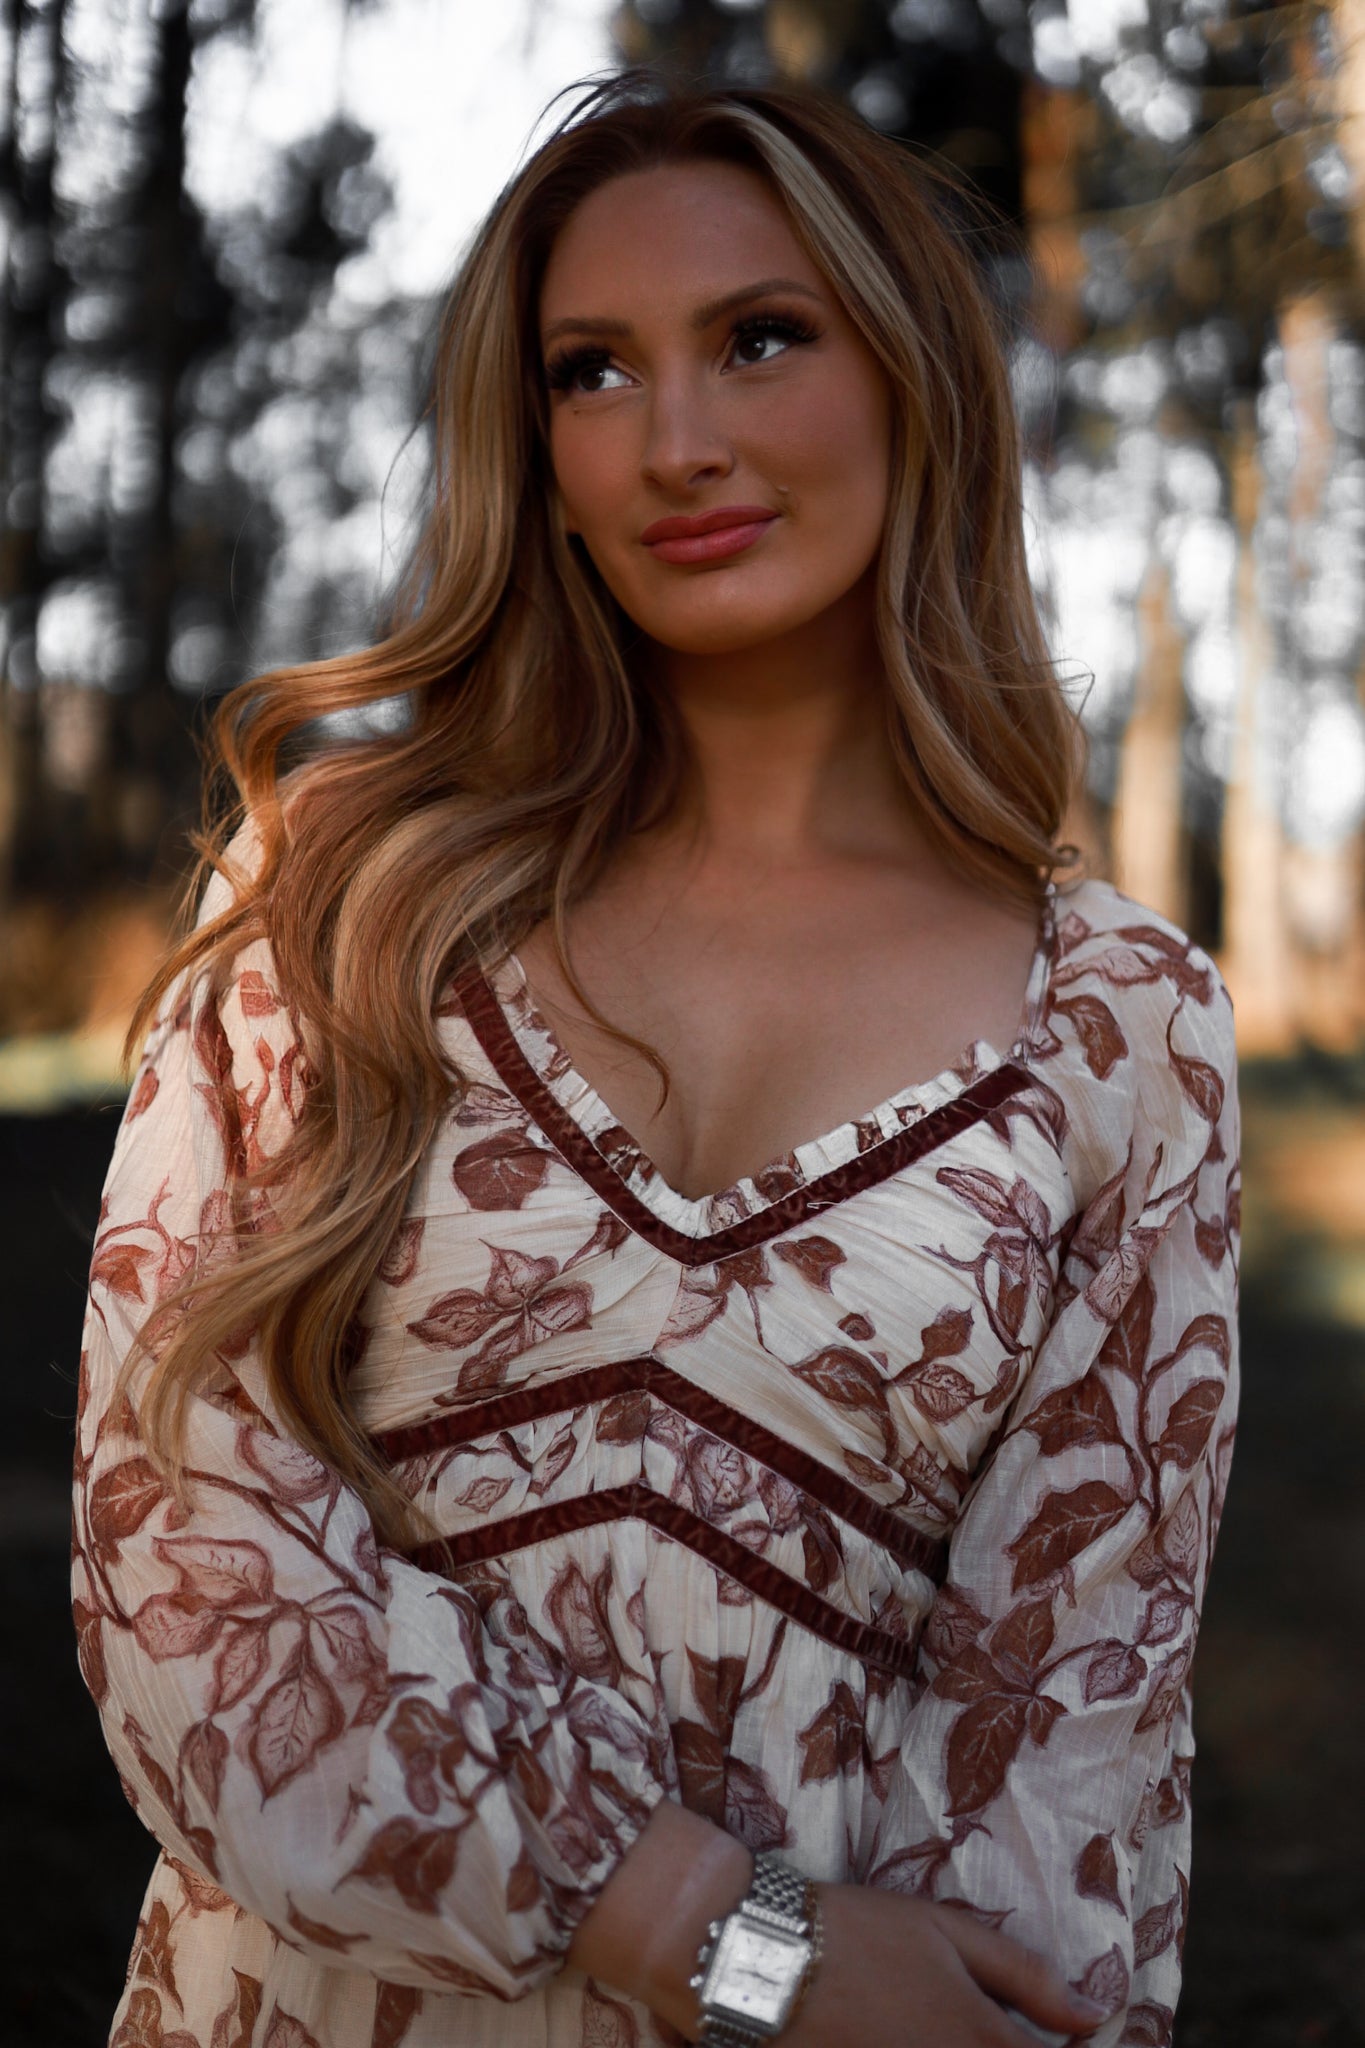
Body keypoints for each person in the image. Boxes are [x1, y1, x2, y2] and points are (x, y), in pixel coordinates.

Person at [72, 73, 1239, 2048]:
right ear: (534, 450)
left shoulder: (1123, 1021)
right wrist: (722, 1935)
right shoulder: (340, 895)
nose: (675, 441)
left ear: (912, 379)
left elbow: (1071, 1752)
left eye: (759, 338)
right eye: (591, 372)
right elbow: (185, 1573)